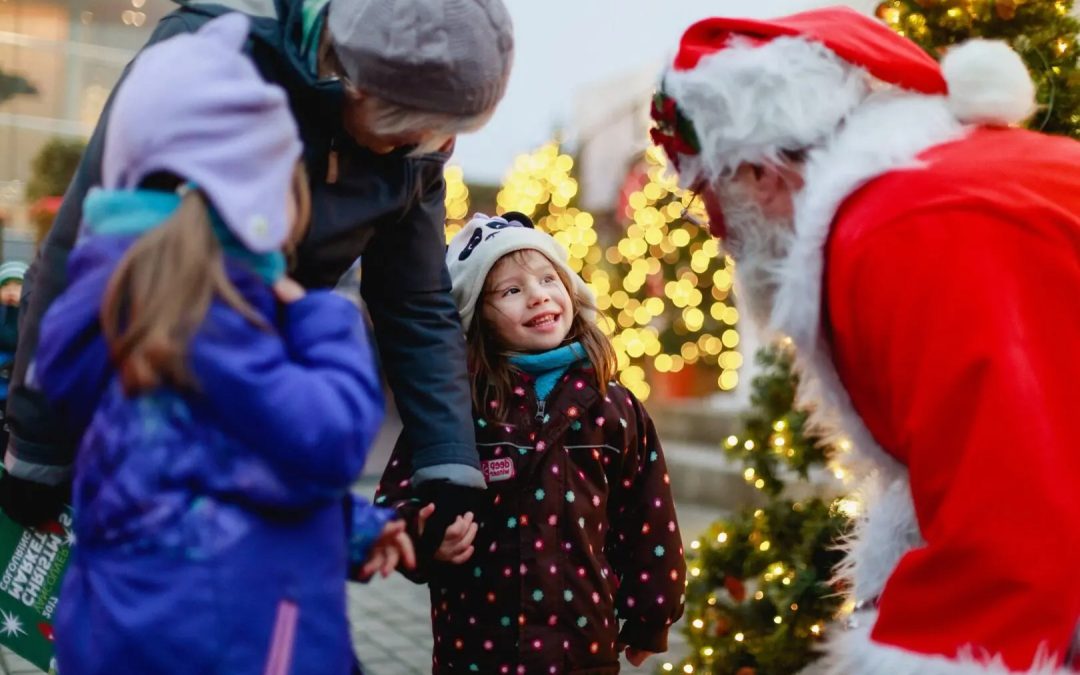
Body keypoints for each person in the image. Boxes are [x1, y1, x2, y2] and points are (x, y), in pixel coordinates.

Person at [649, 6, 1080, 674]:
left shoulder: (898, 233)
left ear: (763, 170)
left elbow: (1012, 524)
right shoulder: (925, 192)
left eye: (709, 192)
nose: (711, 225)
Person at [2, 0, 514, 543]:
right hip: (131, 377)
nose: (437, 146)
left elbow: (415, 302)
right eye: (414, 130)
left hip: (239, 404)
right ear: (354, 84)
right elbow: (80, 256)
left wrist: (448, 464)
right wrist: (37, 447)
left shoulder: (417, 150)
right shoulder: (204, 59)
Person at [33, 16, 410, 673]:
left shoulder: (123, 306)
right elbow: (329, 436)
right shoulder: (210, 320)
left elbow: (222, 469)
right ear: (254, 197)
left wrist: (348, 528)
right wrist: (327, 318)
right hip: (239, 644)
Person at [376, 213, 687, 673]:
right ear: (477, 313)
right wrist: (424, 538)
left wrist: (650, 614)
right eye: (511, 290)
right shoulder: (458, 408)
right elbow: (395, 500)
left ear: (570, 291)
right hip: (479, 648)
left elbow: (648, 517)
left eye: (547, 279)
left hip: (582, 646)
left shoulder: (613, 406)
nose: (538, 294)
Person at [0, 261, 27, 449]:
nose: (11, 291)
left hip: (15, 385)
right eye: (6, 286)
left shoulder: (29, 316)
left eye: (17, 286)